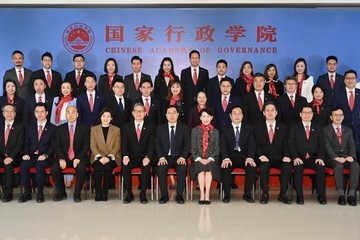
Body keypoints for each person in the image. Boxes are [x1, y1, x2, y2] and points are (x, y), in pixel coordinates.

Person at [254, 102, 292, 204]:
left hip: (279, 157)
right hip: (264, 157)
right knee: (264, 166)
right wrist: (261, 156)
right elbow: (256, 145)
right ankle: (265, 193)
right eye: (267, 110)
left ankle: (283, 193)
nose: (270, 113)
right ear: (263, 113)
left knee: (287, 166)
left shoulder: (283, 127)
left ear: (276, 113)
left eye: (272, 110)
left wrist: (287, 156)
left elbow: (286, 144)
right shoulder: (258, 128)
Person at [288, 104, 327, 205]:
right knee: (298, 167)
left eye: (309, 113)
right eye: (304, 113)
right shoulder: (294, 127)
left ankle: (321, 196)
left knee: (320, 167)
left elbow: (322, 145)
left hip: (313, 158)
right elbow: (290, 144)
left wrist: (320, 158)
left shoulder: (318, 128)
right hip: (299, 157)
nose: (307, 115)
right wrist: (295, 157)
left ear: (312, 115)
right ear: (300, 114)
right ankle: (300, 196)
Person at [18, 102, 56, 203]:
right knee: (23, 166)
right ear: (34, 113)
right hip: (32, 155)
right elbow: (26, 143)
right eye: (37, 112)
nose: (40, 114)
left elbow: (53, 145)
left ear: (46, 113)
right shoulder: (30, 127)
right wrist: (25, 153)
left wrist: (45, 155)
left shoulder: (53, 128)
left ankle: (40, 193)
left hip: (46, 157)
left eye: (42, 111)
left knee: (40, 166)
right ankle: (27, 192)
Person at [51, 106, 90, 202]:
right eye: (68, 112)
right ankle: (61, 193)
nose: (71, 115)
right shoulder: (60, 128)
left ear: (77, 115)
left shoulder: (84, 128)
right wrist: (61, 158)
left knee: (81, 169)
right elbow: (57, 145)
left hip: (79, 157)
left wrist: (78, 158)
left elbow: (86, 145)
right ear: (65, 115)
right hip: (64, 157)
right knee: (55, 169)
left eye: (73, 112)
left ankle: (77, 194)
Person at [220, 106, 257, 203]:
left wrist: (250, 157)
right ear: (230, 116)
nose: (237, 116)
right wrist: (226, 158)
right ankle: (227, 195)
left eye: (239, 113)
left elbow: (252, 144)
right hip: (230, 157)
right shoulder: (224, 129)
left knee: (251, 167)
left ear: (242, 116)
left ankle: (247, 194)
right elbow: (222, 145)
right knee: (225, 167)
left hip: (244, 157)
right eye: (234, 113)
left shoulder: (248, 128)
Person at [323, 107, 359, 206]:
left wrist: (351, 156)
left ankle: (351, 195)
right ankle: (341, 195)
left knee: (355, 166)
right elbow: (327, 146)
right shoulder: (325, 130)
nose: (338, 117)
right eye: (335, 115)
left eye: (340, 115)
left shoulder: (348, 130)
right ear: (331, 117)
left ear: (343, 117)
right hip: (332, 158)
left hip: (346, 156)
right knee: (338, 166)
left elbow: (352, 145)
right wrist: (335, 157)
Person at [155, 105, 190, 204]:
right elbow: (157, 144)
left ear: (178, 115)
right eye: (169, 113)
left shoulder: (184, 128)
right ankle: (164, 195)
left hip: (179, 157)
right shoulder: (160, 128)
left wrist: (183, 157)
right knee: (161, 168)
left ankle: (179, 195)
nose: (172, 115)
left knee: (182, 168)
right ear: (166, 115)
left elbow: (187, 144)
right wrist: (161, 157)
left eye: (174, 113)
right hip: (165, 157)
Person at [122, 103, 155, 204]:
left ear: (145, 113)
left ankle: (143, 194)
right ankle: (129, 194)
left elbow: (151, 144)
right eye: (136, 111)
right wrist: (125, 156)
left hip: (144, 157)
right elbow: (124, 143)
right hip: (131, 157)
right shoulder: (127, 126)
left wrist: (148, 157)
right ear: (133, 113)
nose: (139, 113)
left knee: (146, 168)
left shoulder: (150, 127)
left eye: (141, 111)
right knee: (125, 166)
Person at [90, 108, 121, 202]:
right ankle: (98, 192)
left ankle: (105, 192)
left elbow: (117, 145)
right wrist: (99, 156)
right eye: (103, 116)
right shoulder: (94, 129)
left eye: (108, 116)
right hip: (97, 156)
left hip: (113, 157)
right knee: (98, 168)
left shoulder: (116, 130)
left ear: (111, 118)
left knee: (108, 168)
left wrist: (109, 157)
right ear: (100, 117)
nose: (105, 118)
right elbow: (93, 145)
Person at [190, 109, 219, 205]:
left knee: (209, 167)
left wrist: (209, 159)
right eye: (203, 116)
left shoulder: (215, 131)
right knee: (201, 168)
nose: (206, 119)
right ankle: (202, 194)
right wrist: (199, 159)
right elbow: (193, 147)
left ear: (211, 117)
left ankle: (207, 195)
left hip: (211, 159)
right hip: (197, 159)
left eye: (208, 116)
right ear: (200, 118)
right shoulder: (195, 130)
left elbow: (216, 149)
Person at [0, 103, 25, 202]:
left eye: (12, 111)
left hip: (15, 157)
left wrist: (11, 157)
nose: (9, 113)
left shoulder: (20, 127)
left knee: (8, 165)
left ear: (15, 113)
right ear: (3, 113)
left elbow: (20, 145)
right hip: (2, 156)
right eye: (6, 111)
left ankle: (8, 193)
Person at [333, 70, 360, 155]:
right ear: (344, 80)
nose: (350, 80)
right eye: (348, 78)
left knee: (358, 149)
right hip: (343, 126)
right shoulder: (338, 94)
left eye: (352, 78)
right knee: (346, 150)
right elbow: (334, 109)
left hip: (358, 126)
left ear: (356, 79)